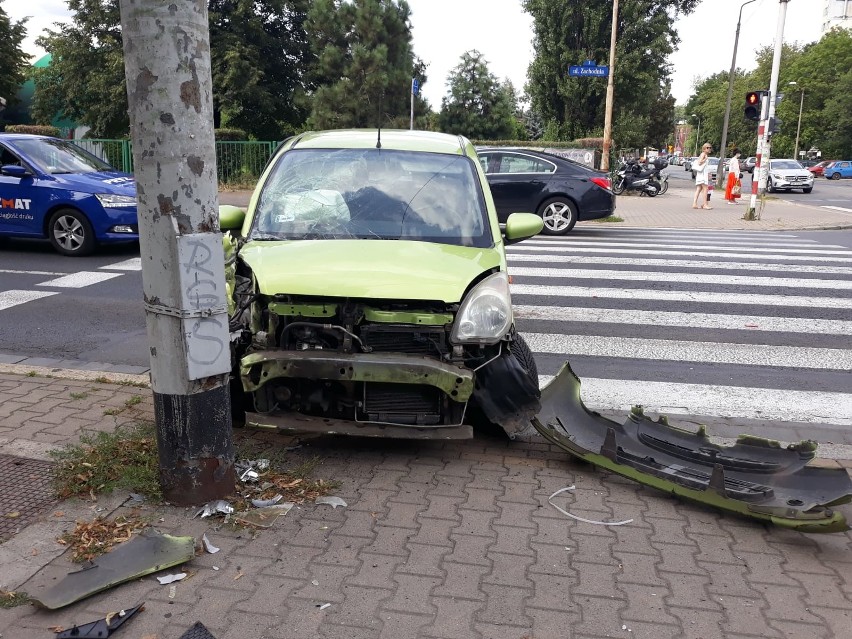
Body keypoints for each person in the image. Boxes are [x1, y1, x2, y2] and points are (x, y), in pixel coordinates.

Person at [692, 143, 712, 210]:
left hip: (701, 174)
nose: (709, 149)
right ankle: (705, 204)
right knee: (705, 189)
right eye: (707, 148)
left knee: (699, 189)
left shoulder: (703, 154)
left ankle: (694, 203)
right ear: (704, 148)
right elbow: (699, 162)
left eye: (710, 147)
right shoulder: (703, 154)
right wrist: (705, 159)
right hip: (702, 175)